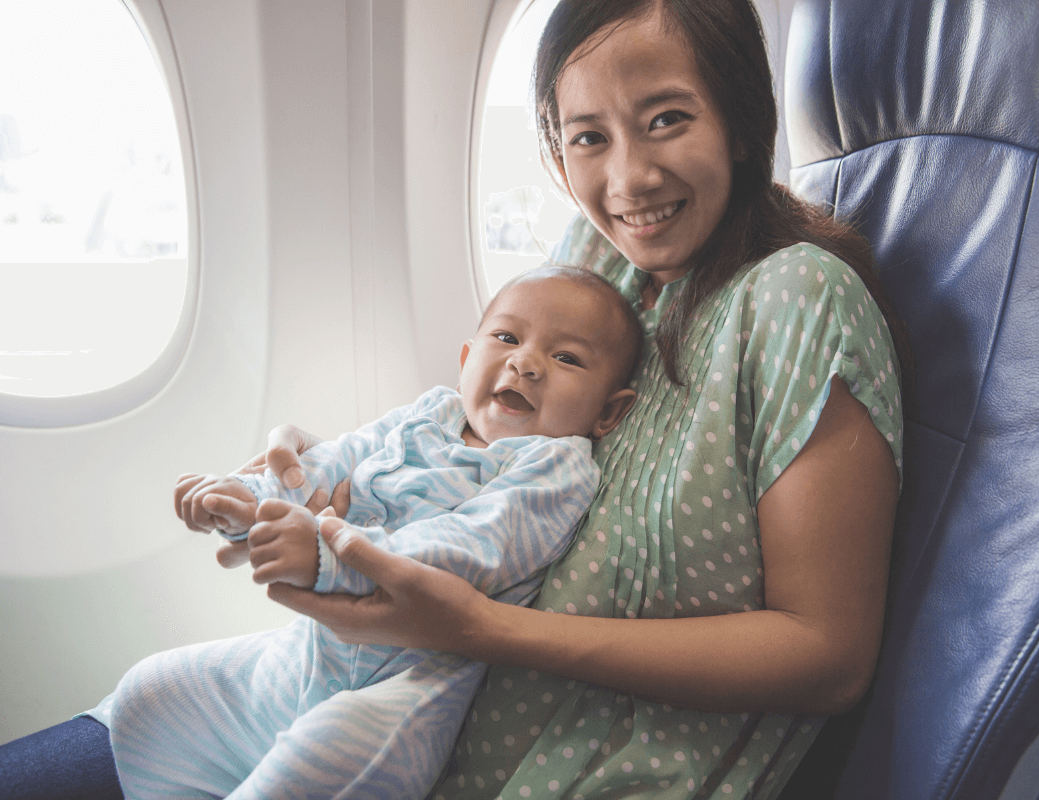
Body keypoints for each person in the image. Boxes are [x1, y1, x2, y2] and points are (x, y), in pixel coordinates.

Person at [0, 1, 906, 799]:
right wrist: (326, 465)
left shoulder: (799, 297)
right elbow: (477, 437)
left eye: (667, 120)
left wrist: (483, 629)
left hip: (564, 758)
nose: (628, 180)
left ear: (742, 124)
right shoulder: (604, 260)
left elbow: (825, 656)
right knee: (142, 702)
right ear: (555, 149)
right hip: (362, 676)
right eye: (589, 137)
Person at [91, 266, 642, 800]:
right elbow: (335, 461)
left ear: (608, 415)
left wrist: (330, 554)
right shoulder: (432, 412)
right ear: (466, 359)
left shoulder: (557, 465)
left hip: (404, 685)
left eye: (566, 357)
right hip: (306, 655)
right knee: (149, 694)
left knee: (332, 755)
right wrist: (245, 500)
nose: (525, 362)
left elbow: (474, 547)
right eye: (505, 337)